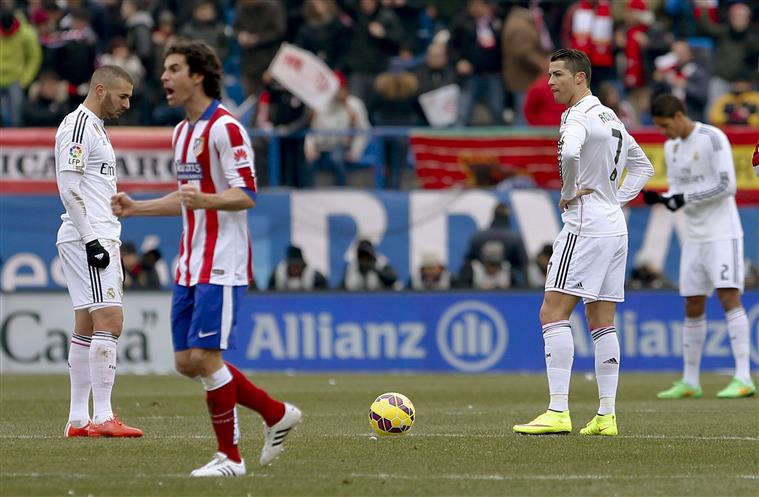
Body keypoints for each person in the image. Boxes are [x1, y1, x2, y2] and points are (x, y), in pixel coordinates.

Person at [110, 40, 301, 477]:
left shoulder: (226, 128)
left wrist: (208, 199)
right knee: (186, 362)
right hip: (190, 261)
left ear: (198, 75)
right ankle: (275, 413)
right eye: (164, 69)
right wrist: (137, 207)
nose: (164, 77)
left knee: (206, 357)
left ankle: (230, 459)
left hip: (222, 260)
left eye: (173, 68)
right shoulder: (182, 132)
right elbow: (187, 197)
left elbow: (247, 194)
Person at [513, 49, 654, 437]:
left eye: (557, 74)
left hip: (586, 224)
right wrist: (617, 199)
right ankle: (606, 416)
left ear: (580, 78)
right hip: (614, 226)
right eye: (548, 74)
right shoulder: (611, 117)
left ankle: (558, 411)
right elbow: (644, 167)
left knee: (552, 313)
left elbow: (572, 151)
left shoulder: (576, 117)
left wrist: (570, 190)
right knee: (601, 322)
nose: (550, 82)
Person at [645, 93, 754, 399]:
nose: (664, 133)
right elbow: (679, 189)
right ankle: (690, 380)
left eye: (666, 125)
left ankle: (744, 376)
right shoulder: (671, 146)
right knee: (692, 302)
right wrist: (664, 199)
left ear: (680, 116)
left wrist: (684, 198)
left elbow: (726, 185)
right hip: (693, 235)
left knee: (728, 296)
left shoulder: (712, 137)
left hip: (722, 232)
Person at [55, 65, 143, 438]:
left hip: (88, 233)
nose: (126, 104)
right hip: (88, 236)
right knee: (111, 321)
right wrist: (92, 238)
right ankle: (104, 416)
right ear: (101, 89)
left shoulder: (97, 129)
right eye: (122, 96)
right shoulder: (78, 126)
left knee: (87, 325)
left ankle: (78, 420)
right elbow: (68, 184)